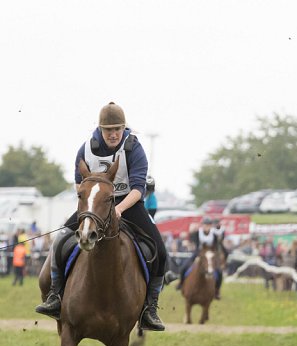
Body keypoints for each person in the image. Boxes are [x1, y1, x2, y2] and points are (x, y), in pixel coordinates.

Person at [36, 102, 168, 331]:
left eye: (118, 129)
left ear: (124, 128)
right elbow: (80, 182)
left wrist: (118, 209)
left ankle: (150, 308)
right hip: (94, 205)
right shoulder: (85, 149)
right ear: (100, 129)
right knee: (60, 241)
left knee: (160, 250)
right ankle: (55, 295)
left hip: (128, 203)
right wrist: (91, 204)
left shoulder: (134, 148)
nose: (114, 134)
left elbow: (138, 189)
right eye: (109, 130)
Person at [177, 217, 227, 299]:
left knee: (219, 272)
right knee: (184, 267)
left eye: (208, 225)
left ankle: (217, 290)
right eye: (205, 225)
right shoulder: (197, 233)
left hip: (210, 255)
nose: (207, 227)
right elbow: (191, 239)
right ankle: (181, 284)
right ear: (202, 225)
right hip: (198, 253)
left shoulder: (214, 235)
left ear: (211, 226)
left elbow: (216, 246)